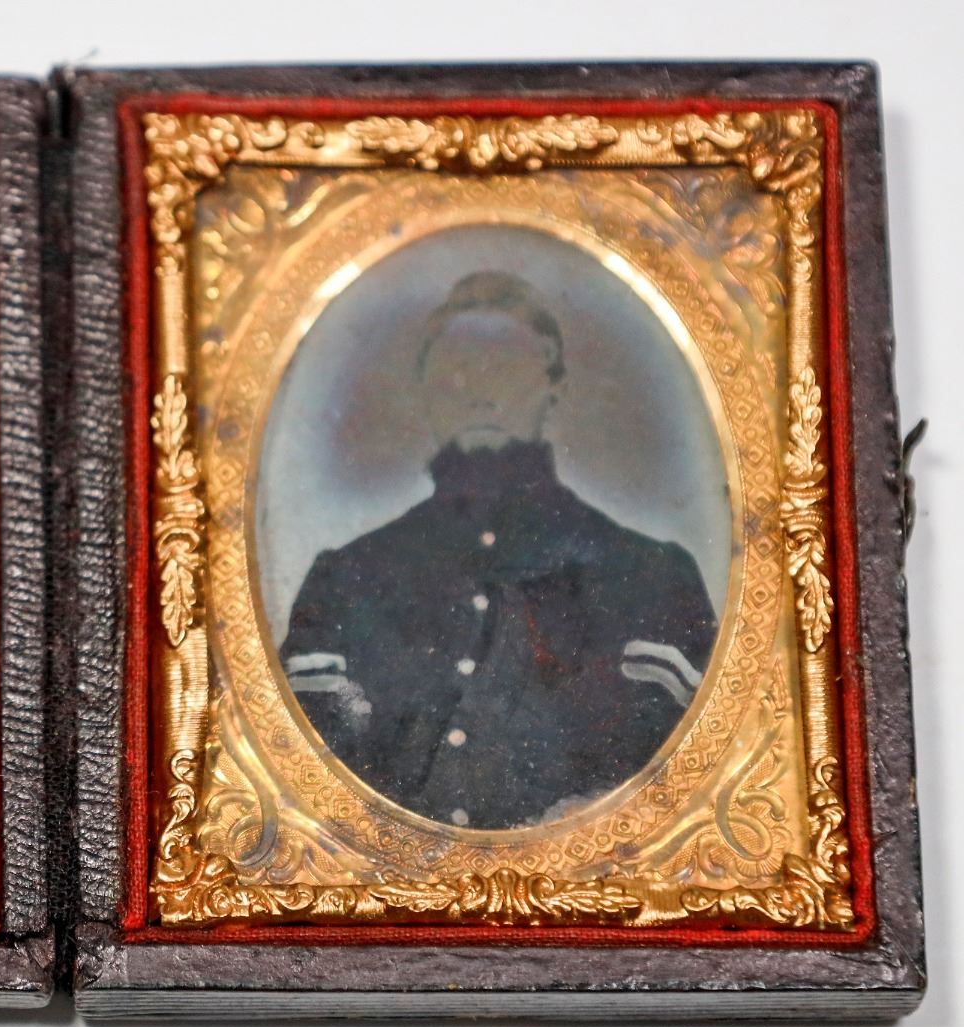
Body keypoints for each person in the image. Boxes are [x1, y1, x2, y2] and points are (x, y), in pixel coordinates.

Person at [279, 271, 718, 830]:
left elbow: (692, 798)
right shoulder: (345, 580)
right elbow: (302, 802)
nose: (480, 389)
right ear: (425, 391)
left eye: (507, 366)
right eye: (456, 368)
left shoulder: (652, 576)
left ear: (554, 386)